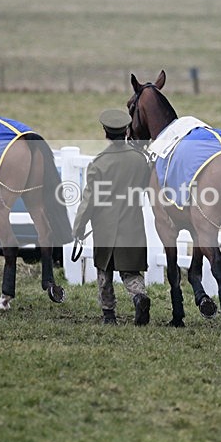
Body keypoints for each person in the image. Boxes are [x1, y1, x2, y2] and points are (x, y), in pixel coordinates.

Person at [72, 109, 152, 326]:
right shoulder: (140, 160)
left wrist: (78, 228)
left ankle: (109, 315)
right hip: (132, 224)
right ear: (126, 131)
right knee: (131, 271)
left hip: (105, 227)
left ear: (105, 133)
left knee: (104, 271)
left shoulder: (99, 163)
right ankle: (139, 296)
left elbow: (89, 200)